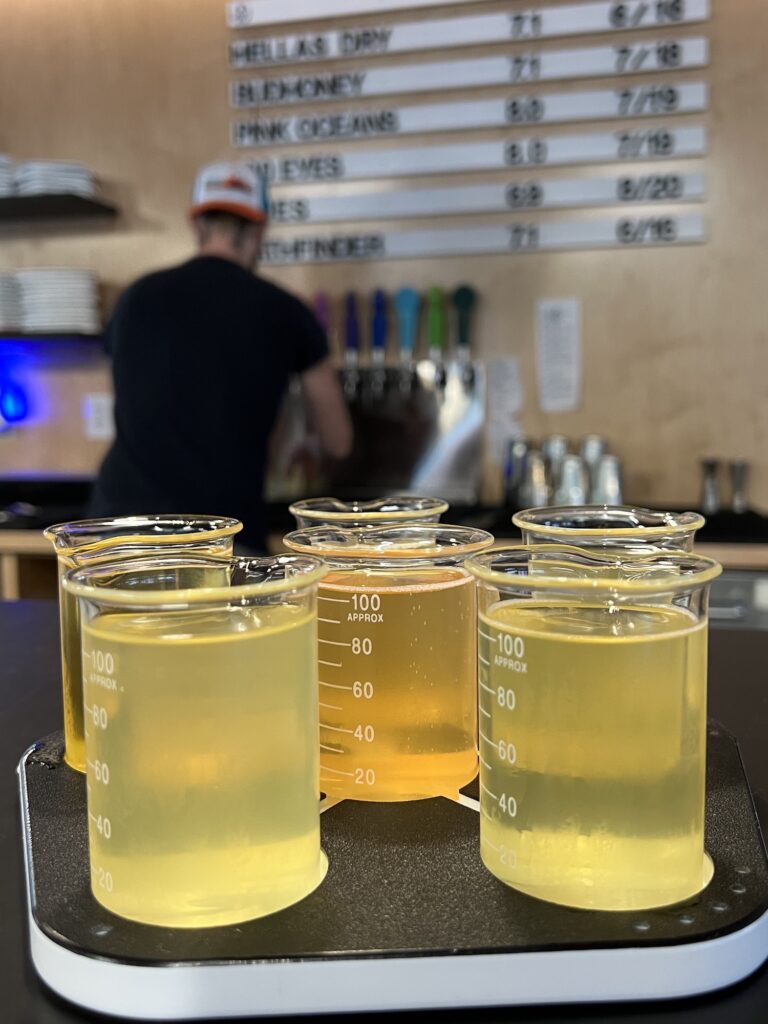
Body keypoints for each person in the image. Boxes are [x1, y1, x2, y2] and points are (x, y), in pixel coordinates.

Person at [89, 161, 353, 550]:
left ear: (197, 224)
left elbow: (138, 400)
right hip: (220, 540)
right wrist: (302, 440)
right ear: (259, 230)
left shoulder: (134, 298)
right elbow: (339, 441)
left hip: (116, 536)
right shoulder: (285, 311)